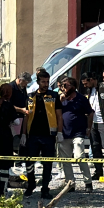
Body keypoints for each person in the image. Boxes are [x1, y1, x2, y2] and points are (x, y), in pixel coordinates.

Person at [22, 71, 63, 199]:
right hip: (32, 134)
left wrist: (60, 132)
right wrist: (23, 133)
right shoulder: (30, 96)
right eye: (43, 82)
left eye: (47, 81)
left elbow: (59, 116)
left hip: (48, 135)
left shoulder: (54, 96)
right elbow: (26, 116)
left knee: (47, 163)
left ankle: (45, 188)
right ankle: (31, 184)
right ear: (38, 82)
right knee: (29, 161)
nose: (45, 84)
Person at [59, 77, 94, 192]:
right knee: (65, 160)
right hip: (64, 133)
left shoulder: (81, 99)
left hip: (78, 132)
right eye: (62, 85)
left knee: (79, 157)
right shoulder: (60, 99)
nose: (63, 88)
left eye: (66, 85)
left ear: (73, 87)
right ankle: (70, 184)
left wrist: (88, 127)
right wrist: (60, 100)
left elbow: (90, 113)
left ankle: (88, 182)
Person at [83, 72, 104, 180]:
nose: (85, 86)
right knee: (95, 147)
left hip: (103, 121)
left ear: (92, 79)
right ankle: (98, 171)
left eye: (86, 83)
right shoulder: (90, 90)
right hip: (93, 122)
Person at [10, 72, 32, 155]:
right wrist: (21, 110)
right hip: (14, 118)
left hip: (23, 118)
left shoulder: (22, 88)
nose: (26, 86)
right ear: (20, 80)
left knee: (22, 140)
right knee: (15, 139)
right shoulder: (11, 87)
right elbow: (9, 105)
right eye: (25, 83)